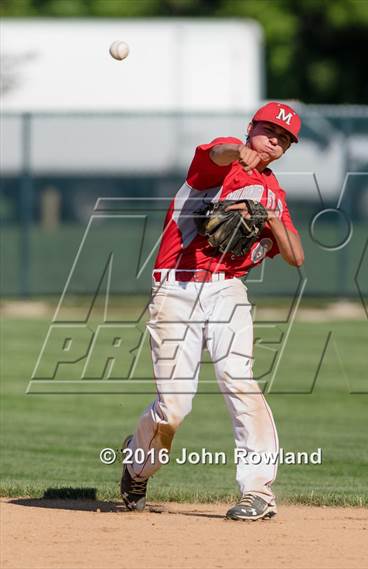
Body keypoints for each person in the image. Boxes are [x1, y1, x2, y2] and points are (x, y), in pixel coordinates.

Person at [120, 101, 304, 520]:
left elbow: (296, 256)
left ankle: (258, 491)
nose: (275, 140)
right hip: (176, 286)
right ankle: (137, 464)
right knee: (174, 408)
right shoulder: (218, 164)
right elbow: (217, 152)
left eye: (285, 139)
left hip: (227, 291)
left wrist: (274, 221)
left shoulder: (274, 192)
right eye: (269, 130)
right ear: (250, 127)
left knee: (238, 378)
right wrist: (235, 153)